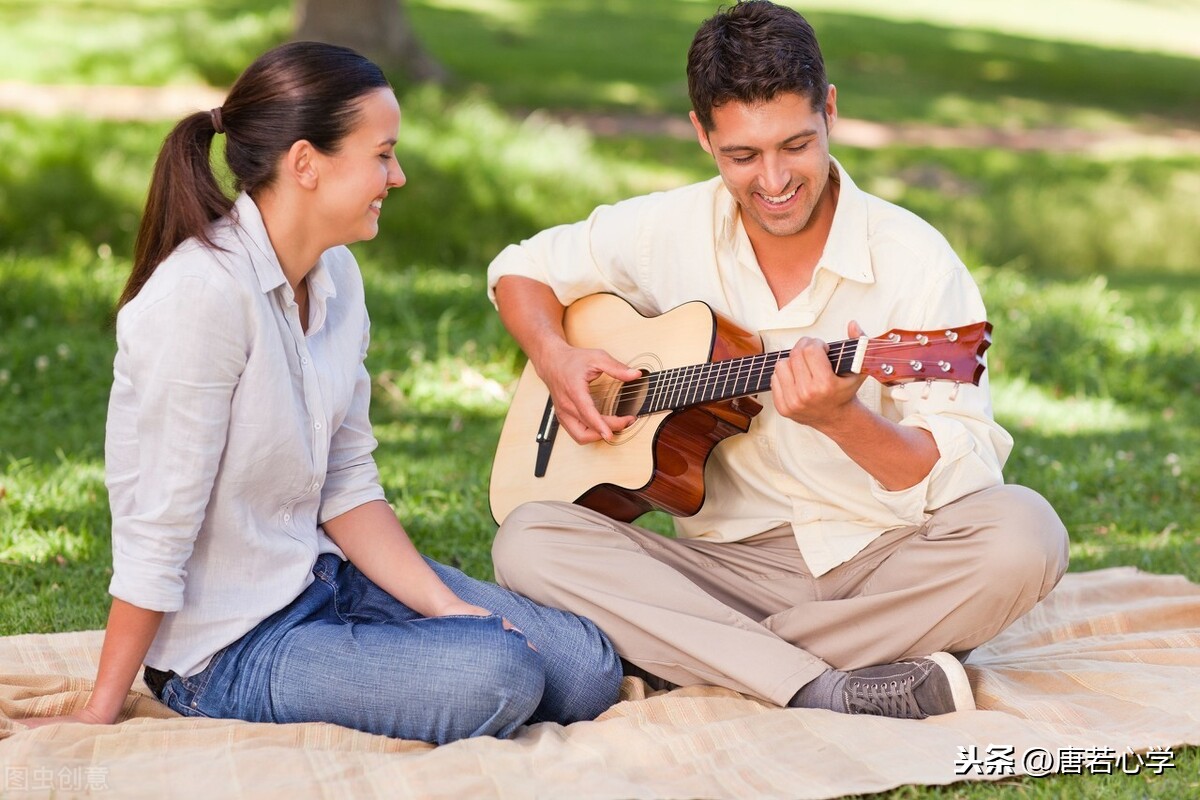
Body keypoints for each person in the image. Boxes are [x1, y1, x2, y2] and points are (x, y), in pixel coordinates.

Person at [23, 41, 621, 744]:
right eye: (382, 154)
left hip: (324, 580)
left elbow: (345, 478)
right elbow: (157, 527)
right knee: (501, 674)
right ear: (305, 163)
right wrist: (102, 704)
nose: (397, 176)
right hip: (230, 650)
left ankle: (447, 640)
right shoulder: (201, 297)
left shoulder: (338, 278)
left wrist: (441, 606)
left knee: (585, 669)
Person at [487, 0, 1068, 720]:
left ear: (829, 110)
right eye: (742, 155)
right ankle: (829, 683)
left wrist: (843, 420)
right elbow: (520, 269)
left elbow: (963, 476)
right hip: (726, 567)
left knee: (1025, 535)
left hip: (882, 560)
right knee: (529, 542)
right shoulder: (666, 229)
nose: (773, 180)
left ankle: (711, 659)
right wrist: (555, 357)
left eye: (795, 145)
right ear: (703, 134)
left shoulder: (914, 262)